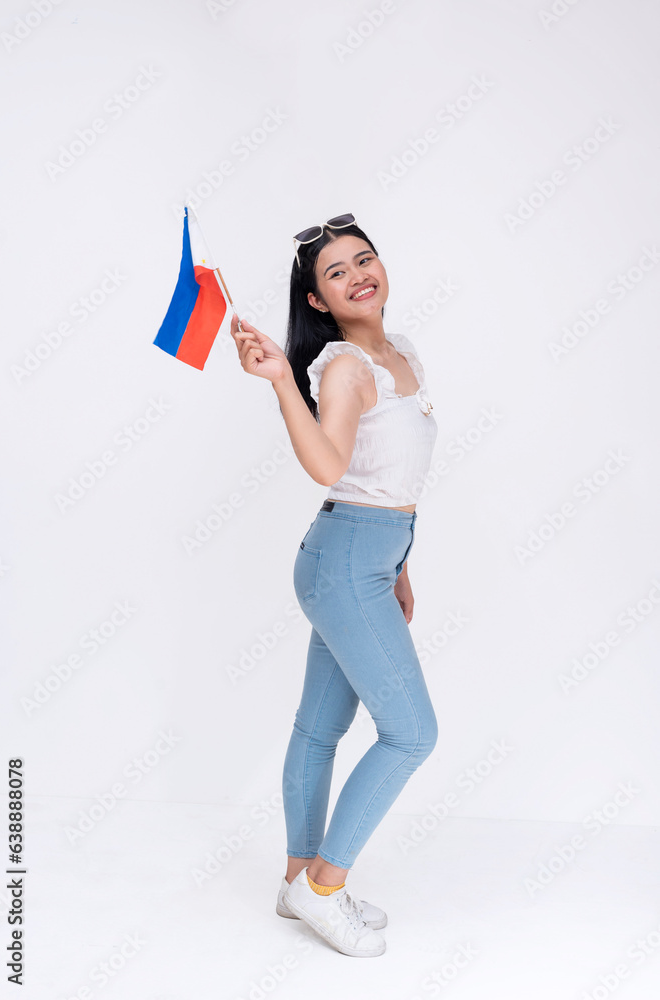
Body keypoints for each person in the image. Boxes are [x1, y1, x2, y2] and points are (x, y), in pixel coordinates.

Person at [230, 213, 439, 958]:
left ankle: (296, 881)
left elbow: (386, 477)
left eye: (363, 259)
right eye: (336, 273)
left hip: (365, 558)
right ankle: (323, 887)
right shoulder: (346, 367)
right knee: (412, 733)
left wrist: (400, 567)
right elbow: (327, 464)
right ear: (317, 301)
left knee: (322, 727)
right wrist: (284, 378)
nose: (357, 276)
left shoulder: (398, 351)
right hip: (345, 557)